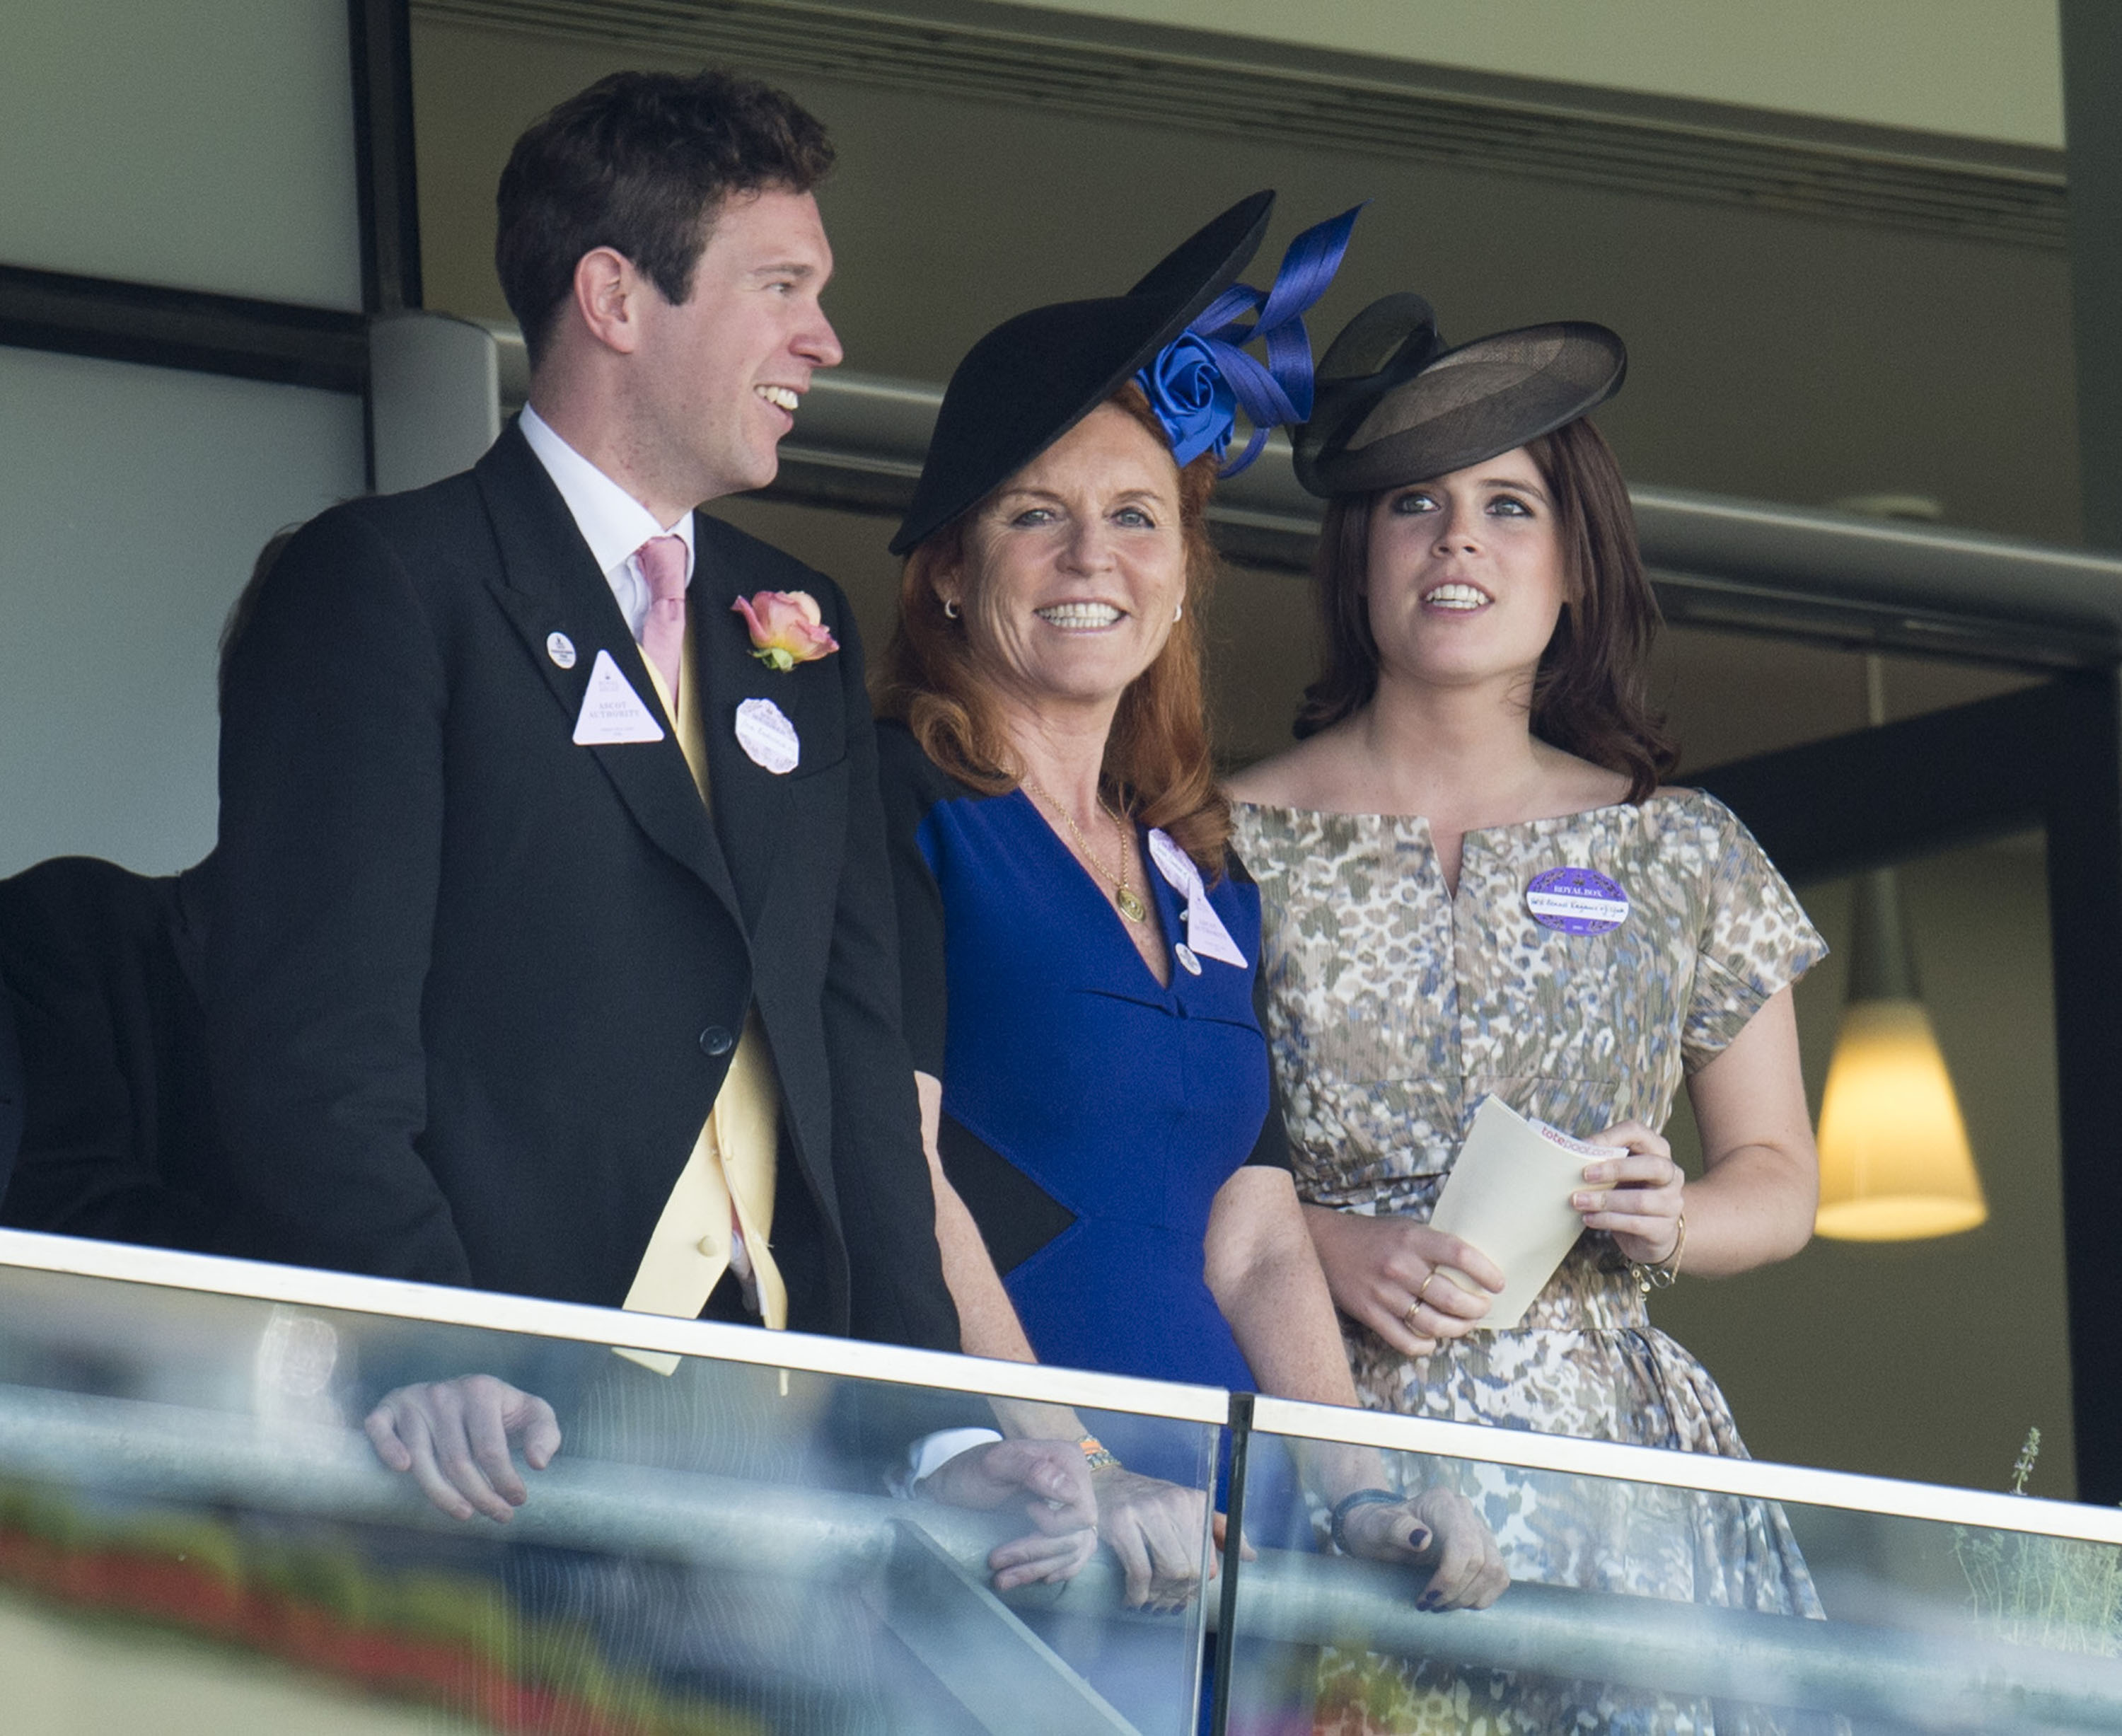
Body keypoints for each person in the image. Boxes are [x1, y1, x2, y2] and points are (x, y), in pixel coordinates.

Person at [209, 69, 1078, 1553]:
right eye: (782, 286)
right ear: (615, 295)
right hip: (490, 1436)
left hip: (789, 1441)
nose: (826, 340)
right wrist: (432, 1342)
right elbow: (310, 1041)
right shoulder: (390, 585)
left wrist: (925, 1418)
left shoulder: (794, 620)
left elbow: (855, 1057)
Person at [874, 196, 1506, 1631]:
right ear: (953, 579)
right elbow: (896, 1166)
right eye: (1036, 515)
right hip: (1025, 1535)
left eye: (1134, 518)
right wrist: (1065, 1468)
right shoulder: (893, 802)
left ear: (1176, 587)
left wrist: (1362, 1487)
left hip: (1235, 1547)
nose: (1091, 557)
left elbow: (1260, 1238)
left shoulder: (1204, 873)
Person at [1227, 295, 1831, 1733]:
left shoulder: (1679, 846)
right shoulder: (1211, 838)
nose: (1457, 541)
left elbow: (1785, 1183)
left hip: (1605, 1459)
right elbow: (1143, 1149)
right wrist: (1323, 1239)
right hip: (1320, 1427)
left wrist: (1668, 1211)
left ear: (1575, 569)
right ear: (1354, 557)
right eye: (1413, 506)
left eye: (1510, 506)